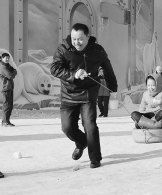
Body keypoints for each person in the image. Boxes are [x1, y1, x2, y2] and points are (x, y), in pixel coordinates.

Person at [50, 23, 118, 169]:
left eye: (80, 39)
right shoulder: (63, 49)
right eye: (74, 39)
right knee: (67, 128)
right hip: (68, 94)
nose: (76, 43)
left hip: (88, 93)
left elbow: (107, 68)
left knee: (90, 126)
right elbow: (55, 69)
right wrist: (74, 74)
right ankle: (82, 142)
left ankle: (95, 158)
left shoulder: (97, 50)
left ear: (87, 37)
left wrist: (113, 87)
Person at [0, 53, 17, 127]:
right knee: (7, 105)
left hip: (9, 87)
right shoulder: (3, 67)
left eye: (8, 58)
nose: (7, 59)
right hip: (6, 88)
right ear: (2, 58)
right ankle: (5, 122)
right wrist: (13, 73)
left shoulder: (7, 66)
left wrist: (13, 72)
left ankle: (6, 120)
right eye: (5, 58)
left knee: (10, 105)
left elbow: (15, 70)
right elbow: (10, 75)